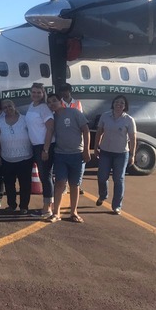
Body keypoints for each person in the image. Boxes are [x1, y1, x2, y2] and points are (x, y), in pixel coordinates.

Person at [46, 93, 90, 223]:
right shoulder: (53, 118)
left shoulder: (74, 113)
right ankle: (56, 213)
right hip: (60, 154)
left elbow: (86, 130)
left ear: (61, 101)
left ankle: (73, 212)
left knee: (74, 184)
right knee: (60, 183)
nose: (52, 104)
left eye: (54, 100)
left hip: (77, 154)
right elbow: (49, 134)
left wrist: (87, 149)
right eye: (49, 102)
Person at [94, 95, 137, 215]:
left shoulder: (129, 120)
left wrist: (132, 154)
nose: (119, 105)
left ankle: (117, 205)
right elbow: (99, 132)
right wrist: (96, 146)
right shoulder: (105, 116)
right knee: (102, 177)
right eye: (117, 102)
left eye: (122, 103)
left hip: (121, 154)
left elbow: (133, 139)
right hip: (105, 152)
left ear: (125, 106)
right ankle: (103, 195)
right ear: (113, 104)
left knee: (118, 179)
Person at [0, 100, 33, 214]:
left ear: (14, 106)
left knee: (25, 184)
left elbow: (32, 135)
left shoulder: (25, 119)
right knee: (9, 183)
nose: (8, 109)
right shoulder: (0, 122)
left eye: (9, 106)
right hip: (7, 158)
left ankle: (24, 206)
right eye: (5, 108)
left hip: (25, 157)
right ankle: (11, 204)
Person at [25, 83, 55, 218]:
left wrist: (46, 149)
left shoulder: (44, 108)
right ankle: (48, 205)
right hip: (36, 145)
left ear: (43, 94)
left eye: (39, 92)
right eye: (33, 92)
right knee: (44, 177)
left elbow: (50, 128)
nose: (36, 94)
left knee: (46, 176)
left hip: (44, 145)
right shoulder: (32, 106)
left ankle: (47, 208)